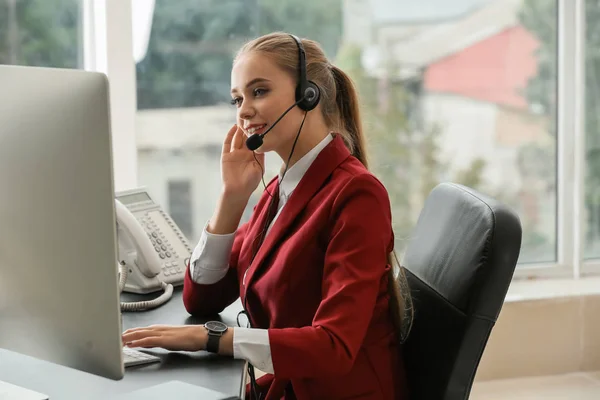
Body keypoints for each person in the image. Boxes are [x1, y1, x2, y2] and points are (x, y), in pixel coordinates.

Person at [122, 32, 413, 400]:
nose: (242, 111)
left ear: (309, 95)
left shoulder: (357, 195)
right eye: (237, 99)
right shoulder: (279, 189)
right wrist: (231, 198)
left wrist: (213, 338)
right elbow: (200, 299)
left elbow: (334, 346)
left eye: (259, 92)